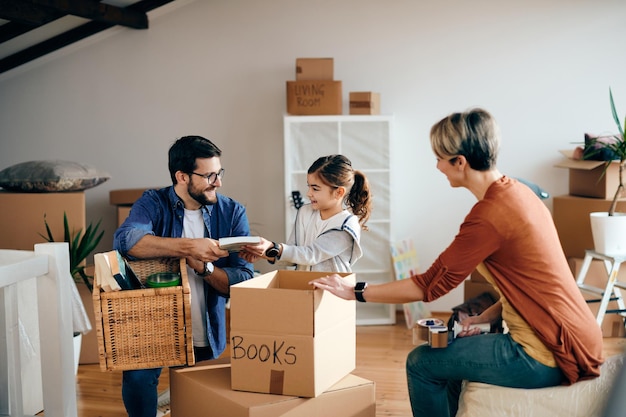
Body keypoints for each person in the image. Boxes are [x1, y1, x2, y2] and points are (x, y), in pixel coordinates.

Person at [309, 109, 604, 417]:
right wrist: (484, 318)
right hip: (573, 335)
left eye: (440, 158)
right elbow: (529, 283)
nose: (437, 166)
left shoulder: (490, 216)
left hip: (546, 354)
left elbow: (428, 286)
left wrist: (354, 290)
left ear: (460, 162)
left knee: (421, 363)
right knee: (445, 358)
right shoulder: (518, 192)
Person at [113, 135, 255, 417]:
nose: (218, 182)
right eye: (210, 175)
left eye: (219, 172)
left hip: (204, 325)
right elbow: (126, 240)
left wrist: (203, 266)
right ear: (181, 176)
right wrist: (190, 247)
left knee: (194, 399)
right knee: (139, 380)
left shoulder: (232, 212)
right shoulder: (153, 202)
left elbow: (243, 279)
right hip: (151, 323)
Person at [240, 154, 371, 272]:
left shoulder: (346, 225)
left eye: (315, 188)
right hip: (304, 289)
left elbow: (311, 255)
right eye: (309, 186)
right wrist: (265, 252)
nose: (309, 193)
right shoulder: (305, 212)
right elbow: (294, 254)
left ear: (339, 192)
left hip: (332, 294)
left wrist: (274, 247)